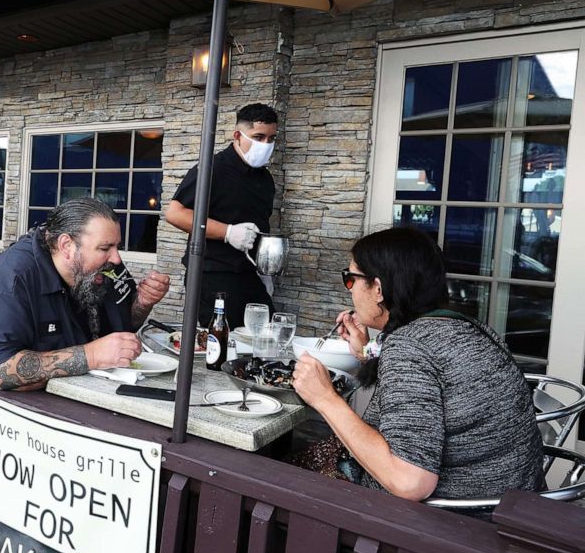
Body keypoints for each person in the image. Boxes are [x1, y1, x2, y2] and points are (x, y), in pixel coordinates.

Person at [291, 227, 543, 502]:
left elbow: (411, 481)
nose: (349, 290)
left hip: (450, 527)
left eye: (351, 279)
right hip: (513, 507)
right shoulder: (471, 329)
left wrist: (325, 398)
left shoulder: (410, 347)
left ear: (378, 289)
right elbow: (427, 391)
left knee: (283, 477)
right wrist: (367, 353)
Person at [0, 197, 170, 390]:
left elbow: (125, 325)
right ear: (66, 245)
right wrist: (91, 356)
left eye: (117, 247)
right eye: (105, 247)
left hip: (99, 391)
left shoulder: (106, 267)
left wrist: (143, 303)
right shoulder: (13, 277)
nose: (116, 258)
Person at [166, 103, 278, 327]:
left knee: (266, 337)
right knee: (223, 347)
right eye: (258, 137)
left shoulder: (265, 179)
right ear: (238, 135)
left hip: (249, 274)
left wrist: (265, 272)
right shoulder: (212, 169)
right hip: (212, 274)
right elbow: (175, 213)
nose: (265, 144)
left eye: (271, 138)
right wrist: (227, 232)